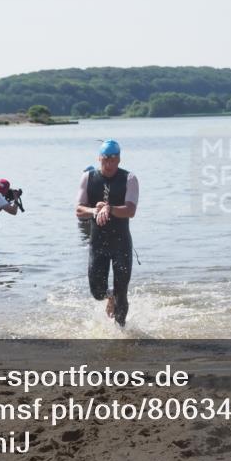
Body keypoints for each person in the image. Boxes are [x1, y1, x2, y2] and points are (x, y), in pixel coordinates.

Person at [75, 140, 138, 327]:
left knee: (122, 291)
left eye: (113, 160)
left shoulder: (130, 178)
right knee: (96, 291)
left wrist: (109, 209)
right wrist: (95, 211)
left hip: (121, 244)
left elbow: (130, 210)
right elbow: (79, 209)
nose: (109, 164)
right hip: (98, 244)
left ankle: (121, 333)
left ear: (119, 159)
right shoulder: (88, 177)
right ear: (99, 158)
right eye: (105, 160)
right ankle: (108, 296)